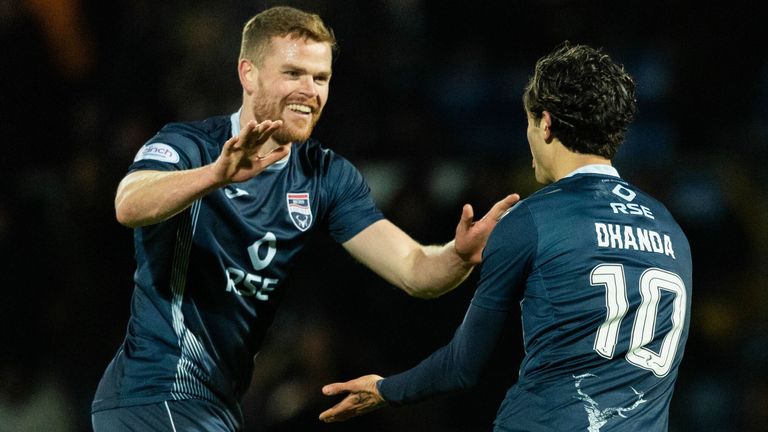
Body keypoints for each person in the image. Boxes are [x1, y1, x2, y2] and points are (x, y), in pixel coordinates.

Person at [90, 5, 519, 431]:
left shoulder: (325, 176)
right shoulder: (191, 146)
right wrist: (213, 176)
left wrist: (458, 255)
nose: (309, 90)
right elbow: (129, 204)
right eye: (293, 73)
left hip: (216, 407)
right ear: (248, 74)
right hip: (154, 393)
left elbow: (414, 270)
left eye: (321, 78)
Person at [319, 41, 693, 431]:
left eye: (528, 122)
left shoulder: (531, 219)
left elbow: (461, 366)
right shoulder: (670, 229)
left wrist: (384, 389)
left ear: (545, 124)